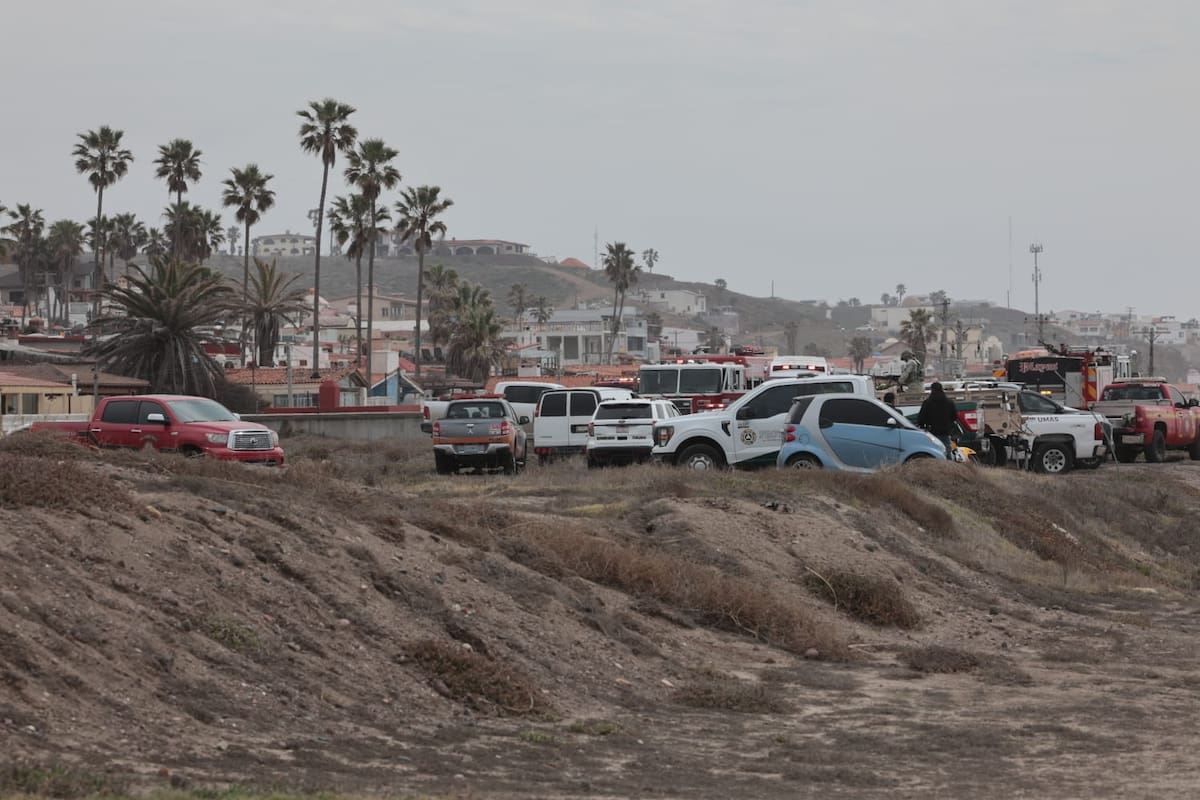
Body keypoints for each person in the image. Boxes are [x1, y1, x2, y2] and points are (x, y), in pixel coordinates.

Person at [918, 381, 959, 458]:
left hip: (932, 431)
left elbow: (921, 419)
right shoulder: (949, 402)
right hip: (945, 431)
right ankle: (948, 466)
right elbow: (955, 417)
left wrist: (924, 426)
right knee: (947, 450)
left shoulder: (927, 403)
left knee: (933, 451)